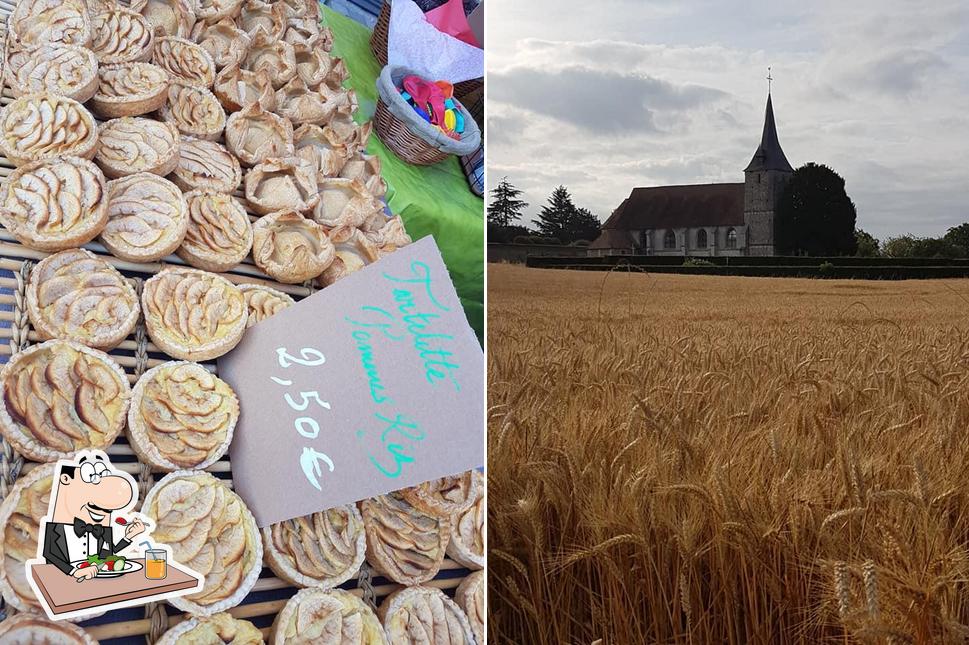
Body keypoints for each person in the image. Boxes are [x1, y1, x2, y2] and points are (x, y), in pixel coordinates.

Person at [41, 454, 146, 581]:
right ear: (65, 479)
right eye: (91, 477)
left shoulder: (102, 529)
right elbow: (50, 554)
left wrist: (129, 536)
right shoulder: (54, 527)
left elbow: (108, 555)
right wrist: (74, 572)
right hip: (61, 583)